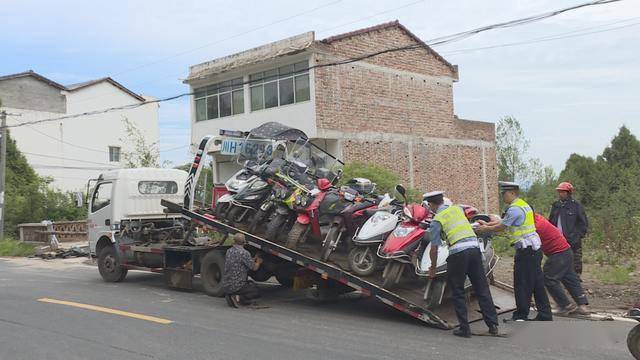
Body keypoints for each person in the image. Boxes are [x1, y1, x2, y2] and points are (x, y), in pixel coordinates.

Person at [424, 191, 499, 338]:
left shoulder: (437, 220)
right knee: (481, 288)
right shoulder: (457, 209)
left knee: (457, 291)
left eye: (429, 206)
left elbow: (434, 248)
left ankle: (465, 329)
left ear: (432, 204)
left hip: (458, 254)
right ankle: (493, 325)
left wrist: (433, 267)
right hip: (475, 250)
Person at [477, 181, 552, 321]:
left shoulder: (514, 209)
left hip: (526, 252)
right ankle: (545, 314)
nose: (502, 196)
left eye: (504, 193)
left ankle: (521, 316)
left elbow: (501, 227)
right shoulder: (522, 205)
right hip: (534, 250)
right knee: (537, 284)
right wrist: (487, 224)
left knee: (522, 283)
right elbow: (504, 222)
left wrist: (484, 229)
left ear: (512, 193)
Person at [534, 213, 589, 315]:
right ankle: (582, 306)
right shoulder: (537, 218)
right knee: (570, 278)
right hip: (566, 251)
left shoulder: (537, 226)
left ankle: (565, 305)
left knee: (549, 278)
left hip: (558, 253)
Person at [548, 182, 588, 277]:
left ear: (569, 193)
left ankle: (576, 280)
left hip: (573, 241)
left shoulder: (576, 206)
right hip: (558, 239)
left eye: (563, 192)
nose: (560, 194)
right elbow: (551, 222)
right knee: (558, 260)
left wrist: (577, 237)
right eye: (559, 192)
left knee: (575, 262)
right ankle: (560, 278)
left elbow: (583, 224)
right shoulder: (556, 205)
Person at [222, 233, 263, 308]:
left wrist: (253, 259)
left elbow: (242, 261)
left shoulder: (229, 251)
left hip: (226, 284)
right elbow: (254, 268)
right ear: (244, 241)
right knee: (256, 291)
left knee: (249, 284)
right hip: (237, 285)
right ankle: (238, 298)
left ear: (234, 241)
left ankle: (230, 295)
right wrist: (258, 262)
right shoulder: (245, 253)